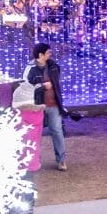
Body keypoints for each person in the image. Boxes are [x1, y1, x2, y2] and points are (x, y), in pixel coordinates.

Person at [26, 42, 68, 171]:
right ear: (40, 55)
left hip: (53, 104)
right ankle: (34, 160)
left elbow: (57, 84)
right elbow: (27, 87)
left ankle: (61, 160)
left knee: (57, 131)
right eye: (48, 52)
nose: (50, 54)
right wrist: (42, 86)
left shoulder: (54, 66)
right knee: (35, 133)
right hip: (38, 105)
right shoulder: (31, 69)